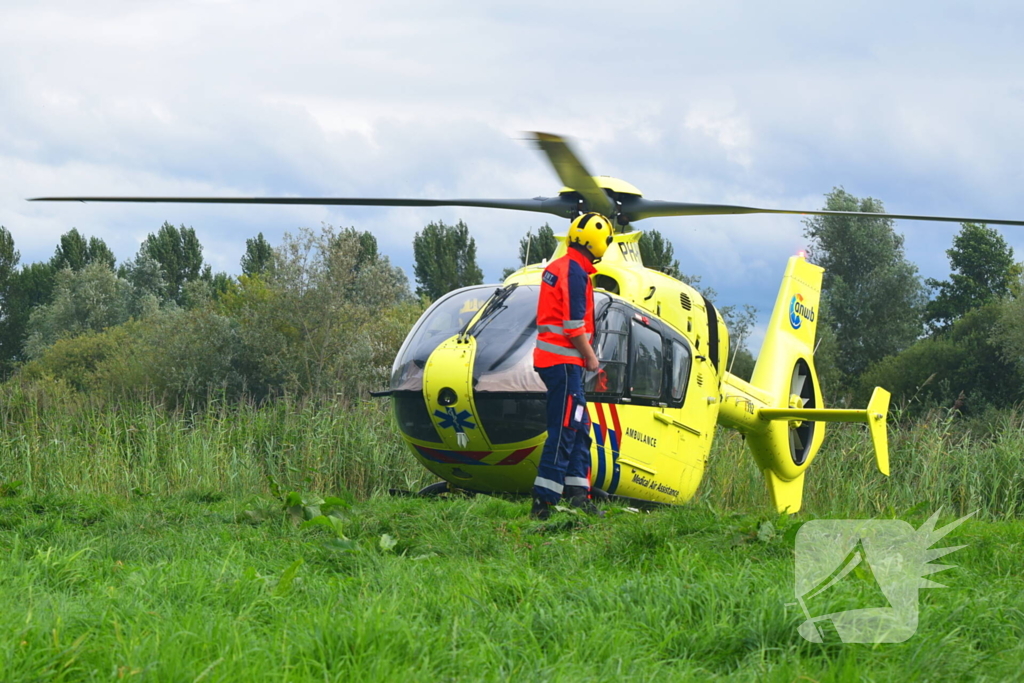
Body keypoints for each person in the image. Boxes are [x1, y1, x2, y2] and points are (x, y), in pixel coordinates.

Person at [530, 212, 614, 520]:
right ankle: (544, 503)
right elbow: (573, 325)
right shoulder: (577, 272)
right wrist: (591, 357)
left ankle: (579, 496)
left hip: (557, 364)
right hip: (565, 363)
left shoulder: (557, 267)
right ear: (597, 242)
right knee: (565, 428)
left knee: (578, 426)